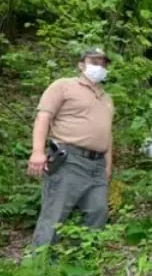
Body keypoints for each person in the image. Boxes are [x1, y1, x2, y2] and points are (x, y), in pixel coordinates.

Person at [27, 48, 115, 247]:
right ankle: (39, 268)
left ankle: (79, 260)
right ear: (81, 64)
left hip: (97, 165)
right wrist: (37, 152)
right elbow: (43, 116)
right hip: (69, 160)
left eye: (103, 63)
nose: (99, 67)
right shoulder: (64, 86)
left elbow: (107, 135)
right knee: (54, 216)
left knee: (98, 211)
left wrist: (108, 166)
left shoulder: (106, 98)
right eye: (94, 61)